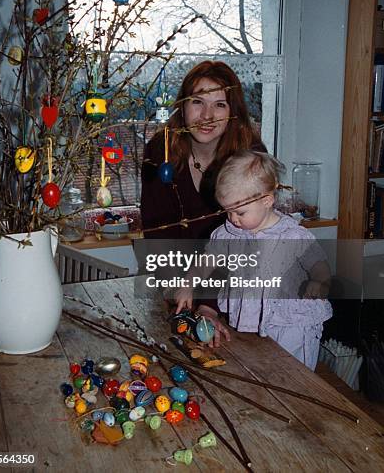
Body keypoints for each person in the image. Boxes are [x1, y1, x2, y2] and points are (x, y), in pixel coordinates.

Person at [175, 150, 332, 371]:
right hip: (257, 319)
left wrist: (319, 281)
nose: (233, 219)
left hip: (293, 322)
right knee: (261, 367)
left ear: (267, 200)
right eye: (228, 211)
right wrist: (188, 283)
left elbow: (320, 265)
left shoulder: (292, 235)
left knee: (294, 372)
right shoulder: (229, 232)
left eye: (240, 212)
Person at [141, 60, 265, 239]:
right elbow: (155, 232)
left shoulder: (251, 153)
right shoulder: (161, 151)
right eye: (198, 101)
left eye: (220, 104)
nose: (207, 115)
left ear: (232, 113)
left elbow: (261, 228)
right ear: (182, 107)